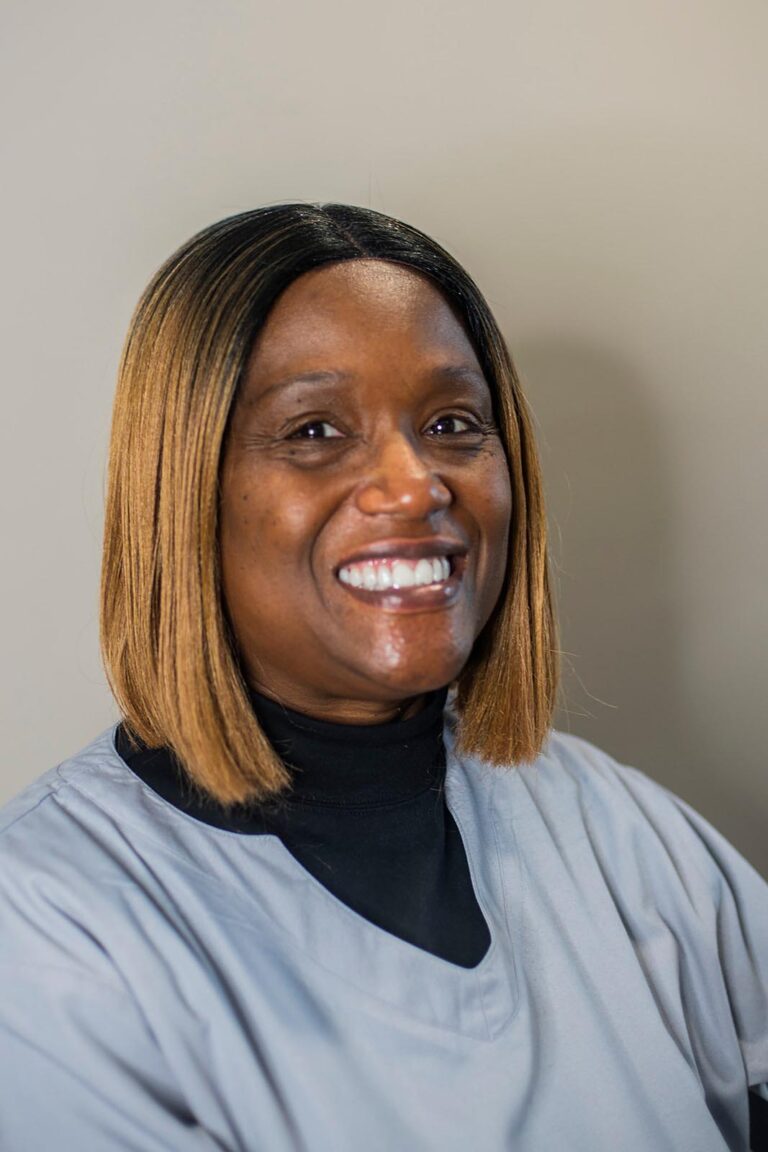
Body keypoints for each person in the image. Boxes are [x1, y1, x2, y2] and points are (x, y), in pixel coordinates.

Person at [0, 203, 766, 1152]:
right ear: (181, 489)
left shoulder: (617, 832)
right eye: (315, 430)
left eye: (452, 423)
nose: (416, 487)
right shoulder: (49, 928)